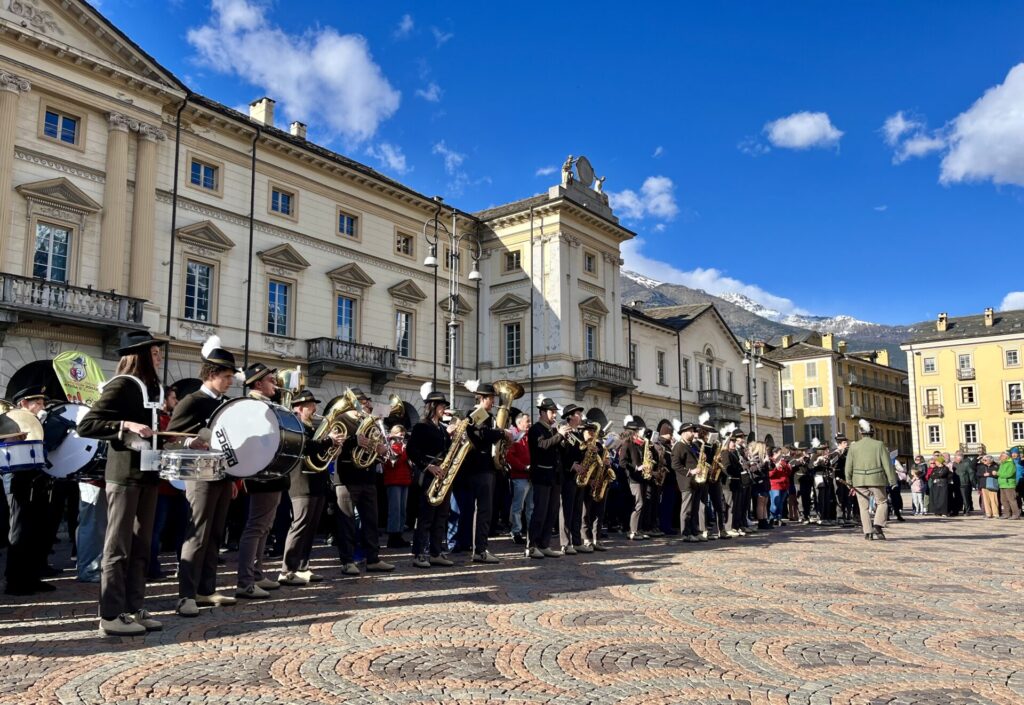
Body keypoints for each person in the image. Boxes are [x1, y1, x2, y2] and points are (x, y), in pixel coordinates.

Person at [77, 332, 166, 635]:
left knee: (142, 546)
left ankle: (133, 607)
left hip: (149, 475)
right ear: (139, 356)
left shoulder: (153, 388)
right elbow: (87, 424)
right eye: (155, 353)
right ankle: (110, 615)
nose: (159, 358)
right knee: (117, 547)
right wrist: (124, 425)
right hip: (124, 476)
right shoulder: (121, 385)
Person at [169, 337, 240, 616]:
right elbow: (169, 439)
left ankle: (205, 589)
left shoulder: (226, 403)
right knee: (197, 533)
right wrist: (189, 443)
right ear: (211, 375)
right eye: (226, 377)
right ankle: (185, 594)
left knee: (215, 534)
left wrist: (234, 477)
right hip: (198, 475)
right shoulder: (191, 401)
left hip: (222, 475)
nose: (229, 382)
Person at [279, 390, 341, 585]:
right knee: (299, 526)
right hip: (301, 481)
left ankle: (303, 567)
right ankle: (287, 570)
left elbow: (320, 450)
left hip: (317, 480)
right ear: (299, 408)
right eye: (310, 406)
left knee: (311, 527)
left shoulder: (313, 427)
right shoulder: (294, 426)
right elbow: (306, 446)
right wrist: (328, 440)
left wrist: (334, 445)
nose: (315, 409)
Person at [332, 388, 394, 576]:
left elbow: (374, 446)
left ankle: (373, 559)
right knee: (347, 522)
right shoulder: (340, 420)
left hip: (367, 478)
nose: (367, 405)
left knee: (371, 521)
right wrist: (354, 440)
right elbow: (335, 444)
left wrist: (381, 449)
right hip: (347, 478)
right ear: (354, 402)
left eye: (367, 402)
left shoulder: (368, 422)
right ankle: (347, 561)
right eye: (363, 402)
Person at [4, 385, 55, 595]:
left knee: (37, 530)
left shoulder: (39, 422)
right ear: (23, 403)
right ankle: (14, 581)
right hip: (16, 477)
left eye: (43, 402)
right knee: (19, 529)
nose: (41, 406)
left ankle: (32, 577)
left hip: (36, 477)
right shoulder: (9, 421)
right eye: (38, 403)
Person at [454, 381, 511, 564]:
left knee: (482, 510)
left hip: (482, 468)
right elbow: (482, 435)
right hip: (480, 468)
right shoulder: (478, 414)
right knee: (484, 510)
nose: (494, 402)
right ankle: (480, 549)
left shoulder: (483, 415)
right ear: (483, 398)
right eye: (492, 398)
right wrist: (502, 433)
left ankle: (479, 548)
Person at [408, 383, 453, 568]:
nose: (444, 409)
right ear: (433, 407)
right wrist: (428, 467)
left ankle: (436, 552)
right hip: (428, 476)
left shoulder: (442, 429)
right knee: (426, 516)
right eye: (442, 406)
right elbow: (411, 450)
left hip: (443, 476)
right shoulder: (421, 426)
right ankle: (419, 553)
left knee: (441, 516)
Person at [527, 397, 566, 558]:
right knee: (540, 511)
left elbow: (558, 450)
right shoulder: (536, 429)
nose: (554, 415)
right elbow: (542, 446)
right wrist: (559, 436)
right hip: (541, 474)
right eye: (552, 412)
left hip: (554, 476)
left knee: (551, 512)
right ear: (542, 412)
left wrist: (563, 439)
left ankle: (544, 544)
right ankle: (531, 545)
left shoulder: (553, 430)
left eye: (555, 412)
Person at [845, 418, 896, 540]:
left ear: (860, 433)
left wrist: (849, 481)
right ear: (872, 433)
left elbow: (848, 466)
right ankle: (878, 524)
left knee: (863, 507)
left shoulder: (854, 446)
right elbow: (887, 464)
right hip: (876, 479)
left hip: (859, 480)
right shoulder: (879, 445)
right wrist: (892, 480)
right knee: (882, 502)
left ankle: (867, 532)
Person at [558, 403, 587, 554]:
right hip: (569, 476)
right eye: (578, 414)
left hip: (579, 476)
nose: (581, 417)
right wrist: (572, 465)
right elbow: (563, 454)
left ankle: (577, 541)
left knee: (577, 510)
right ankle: (565, 543)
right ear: (570, 416)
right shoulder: (566, 432)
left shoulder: (579, 434)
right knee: (567, 510)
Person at [671, 421, 705, 542]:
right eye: (690, 431)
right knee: (687, 509)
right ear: (683, 433)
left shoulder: (693, 445)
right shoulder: (679, 446)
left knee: (695, 508)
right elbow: (675, 465)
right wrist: (690, 471)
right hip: (686, 481)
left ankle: (695, 532)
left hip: (697, 481)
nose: (693, 433)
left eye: (693, 431)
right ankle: (686, 533)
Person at [620, 416, 649, 540]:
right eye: (636, 431)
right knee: (638, 503)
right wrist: (636, 468)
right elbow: (622, 462)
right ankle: (632, 531)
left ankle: (638, 529)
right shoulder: (627, 443)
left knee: (642, 504)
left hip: (640, 477)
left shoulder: (636, 443)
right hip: (633, 478)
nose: (638, 433)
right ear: (632, 432)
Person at [383, 425, 412, 548]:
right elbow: (391, 463)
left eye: (403, 434)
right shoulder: (390, 445)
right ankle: (393, 536)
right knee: (395, 510)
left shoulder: (403, 446)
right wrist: (403, 452)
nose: (402, 436)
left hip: (404, 480)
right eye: (400, 434)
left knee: (402, 510)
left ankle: (399, 534)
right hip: (393, 480)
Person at [506, 411, 532, 545]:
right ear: (519, 422)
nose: (529, 423)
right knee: (518, 507)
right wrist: (524, 467)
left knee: (531, 506)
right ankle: (516, 531)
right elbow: (510, 456)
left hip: (530, 476)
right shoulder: (514, 436)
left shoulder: (529, 436)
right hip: (520, 476)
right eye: (527, 421)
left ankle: (530, 531)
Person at [768, 447, 790, 525]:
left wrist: (786, 466)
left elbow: (789, 472)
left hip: (784, 485)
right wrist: (776, 468)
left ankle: (778, 518)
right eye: (780, 453)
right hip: (775, 485)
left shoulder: (782, 461)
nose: (782, 455)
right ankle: (771, 518)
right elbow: (769, 475)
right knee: (775, 503)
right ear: (775, 453)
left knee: (781, 503)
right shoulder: (771, 461)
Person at [997, 450, 1021, 519]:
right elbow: (1000, 473)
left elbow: (1009, 474)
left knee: (1012, 500)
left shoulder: (1011, 463)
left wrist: (998, 474)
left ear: (1006, 456)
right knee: (1003, 500)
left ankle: (1016, 514)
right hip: (1002, 484)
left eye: (1002, 455)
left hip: (1009, 484)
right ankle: (1007, 514)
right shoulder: (1002, 464)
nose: (1000, 457)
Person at [928, 453, 951, 517]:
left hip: (943, 485)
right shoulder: (935, 468)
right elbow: (932, 476)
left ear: (940, 462)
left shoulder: (945, 468)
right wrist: (937, 474)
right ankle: (937, 512)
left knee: (943, 499)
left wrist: (937, 475)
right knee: (936, 499)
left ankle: (944, 512)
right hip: (936, 485)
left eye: (937, 461)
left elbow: (942, 474)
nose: (936, 463)